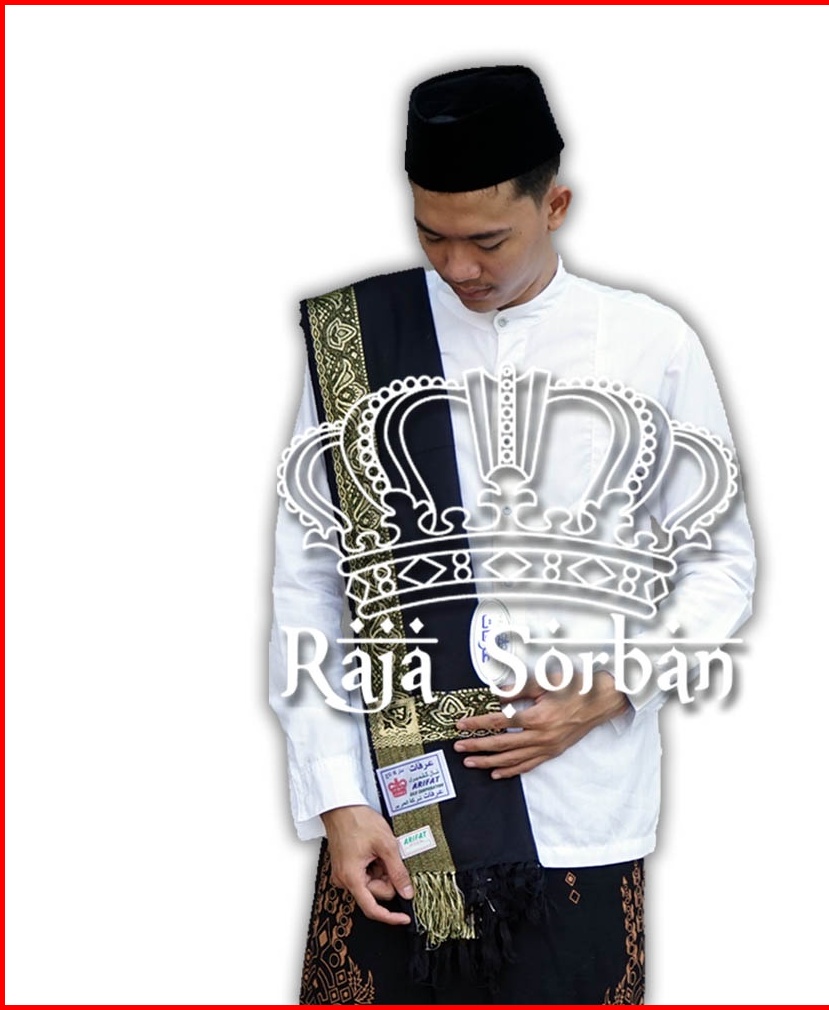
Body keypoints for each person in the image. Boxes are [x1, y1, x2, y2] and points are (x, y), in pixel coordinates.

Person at [269, 65, 756, 1005]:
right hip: (397, 816)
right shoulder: (359, 342)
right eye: (432, 235)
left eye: (488, 240)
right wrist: (337, 798)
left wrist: (608, 693)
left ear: (555, 205)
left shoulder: (649, 343)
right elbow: (312, 582)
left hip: (584, 814)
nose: (457, 268)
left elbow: (721, 566)